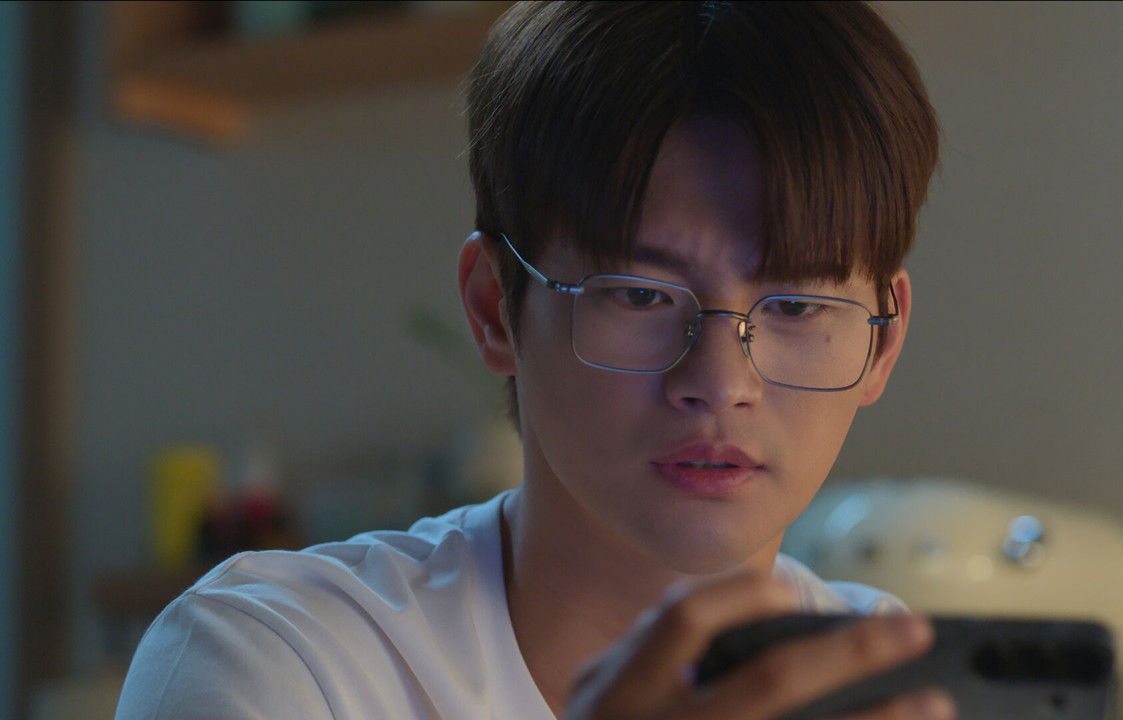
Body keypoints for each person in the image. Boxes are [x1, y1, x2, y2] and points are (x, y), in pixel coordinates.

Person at [116, 2, 946, 718]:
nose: (721, 384)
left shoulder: (903, 682)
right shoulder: (279, 660)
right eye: (641, 295)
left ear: (884, 339)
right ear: (494, 308)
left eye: (796, 306)